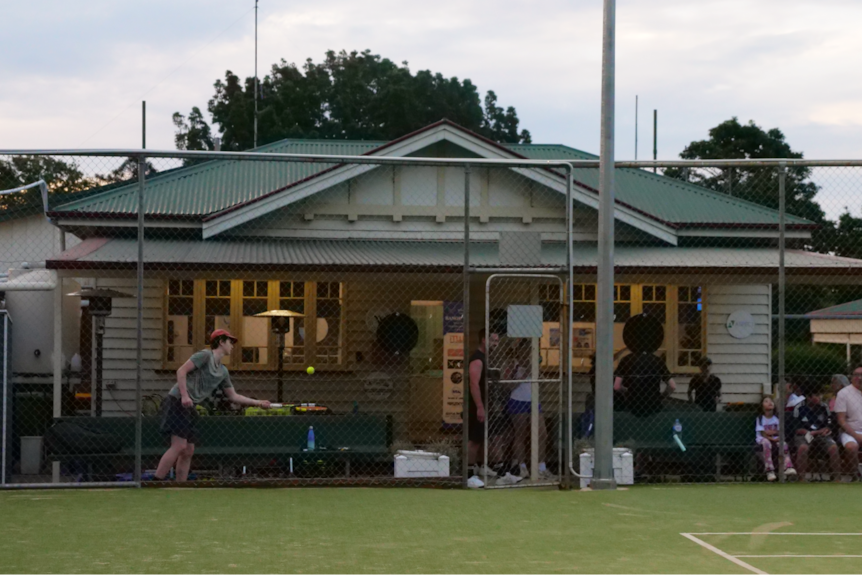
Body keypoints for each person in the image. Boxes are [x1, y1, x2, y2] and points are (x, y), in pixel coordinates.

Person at [154, 329, 271, 481]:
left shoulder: (223, 371)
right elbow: (181, 371)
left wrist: (258, 403)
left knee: (188, 450)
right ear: (221, 342)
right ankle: (156, 482)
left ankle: (181, 486)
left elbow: (233, 396)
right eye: (230, 342)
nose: (232, 346)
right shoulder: (204, 355)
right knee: (179, 446)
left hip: (190, 407)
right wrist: (184, 395)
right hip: (177, 401)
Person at [503, 339, 550, 481]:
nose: (529, 353)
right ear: (520, 351)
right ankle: (521, 467)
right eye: (526, 350)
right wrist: (524, 375)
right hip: (518, 401)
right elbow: (508, 386)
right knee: (520, 434)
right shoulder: (512, 364)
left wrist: (537, 372)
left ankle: (541, 467)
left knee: (542, 434)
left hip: (533, 401)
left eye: (531, 350)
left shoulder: (533, 364)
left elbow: (543, 385)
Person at [614, 315, 676, 417]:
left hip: (633, 406)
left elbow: (616, 386)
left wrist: (627, 393)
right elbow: (672, 386)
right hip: (654, 406)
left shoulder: (626, 360)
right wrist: (661, 396)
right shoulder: (657, 361)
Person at [467, 328, 499, 482]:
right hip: (476, 407)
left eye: (497, 341)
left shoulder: (485, 358)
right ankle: (469, 475)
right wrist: (480, 406)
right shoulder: (477, 359)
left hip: (486, 405)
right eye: (493, 341)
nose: (496, 344)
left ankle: (481, 467)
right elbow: (473, 383)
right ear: (484, 340)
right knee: (473, 441)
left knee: (482, 439)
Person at [791, 390, 841, 482]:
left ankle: (837, 478)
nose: (820, 397)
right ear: (809, 397)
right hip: (804, 435)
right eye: (816, 394)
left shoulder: (824, 407)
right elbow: (796, 428)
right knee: (803, 447)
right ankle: (801, 478)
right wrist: (808, 432)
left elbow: (830, 425)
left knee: (833, 447)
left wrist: (825, 430)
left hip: (821, 435)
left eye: (820, 394)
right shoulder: (799, 408)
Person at [755, 396, 796, 482]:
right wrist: (772, 437)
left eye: (771, 401)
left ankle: (788, 467)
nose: (770, 403)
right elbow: (763, 433)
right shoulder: (760, 418)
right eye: (766, 401)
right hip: (763, 439)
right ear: (762, 406)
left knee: (784, 444)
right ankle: (769, 470)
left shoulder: (777, 418)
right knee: (766, 443)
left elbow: (780, 431)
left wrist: (776, 435)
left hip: (776, 438)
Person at [834, 365, 862, 480]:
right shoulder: (844, 393)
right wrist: (857, 436)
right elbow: (841, 420)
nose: (859, 378)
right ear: (851, 377)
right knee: (851, 447)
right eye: (856, 375)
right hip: (850, 431)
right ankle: (856, 475)